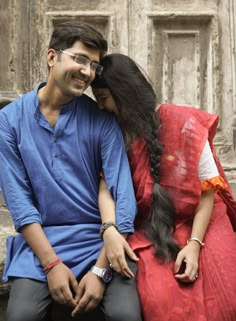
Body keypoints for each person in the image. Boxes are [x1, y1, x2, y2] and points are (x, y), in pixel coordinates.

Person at [0, 23, 142, 321]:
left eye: (93, 65)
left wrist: (101, 270)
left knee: (124, 315)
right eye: (79, 59)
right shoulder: (9, 121)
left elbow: (123, 196)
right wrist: (51, 265)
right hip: (42, 243)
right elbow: (20, 204)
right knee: (21, 315)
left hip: (100, 241)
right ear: (52, 57)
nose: (87, 72)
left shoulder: (101, 121)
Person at [91, 53, 236, 321]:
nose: (100, 107)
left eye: (103, 98)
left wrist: (194, 244)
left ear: (124, 94)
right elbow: (106, 187)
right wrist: (109, 229)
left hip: (201, 219)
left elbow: (207, 191)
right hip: (151, 227)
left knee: (225, 292)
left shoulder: (184, 122)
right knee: (158, 299)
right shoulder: (115, 134)